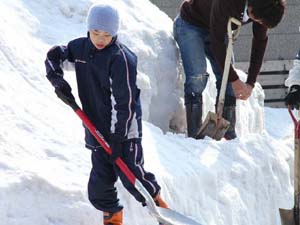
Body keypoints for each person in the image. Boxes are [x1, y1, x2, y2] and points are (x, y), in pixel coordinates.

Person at [45, 4, 168, 225]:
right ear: (88, 30)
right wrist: (58, 80)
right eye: (95, 33)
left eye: (107, 34)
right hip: (95, 128)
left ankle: (164, 213)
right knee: (99, 187)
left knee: (133, 179)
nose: (100, 39)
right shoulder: (81, 50)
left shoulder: (121, 59)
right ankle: (113, 221)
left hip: (124, 130)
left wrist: (118, 138)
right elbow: (55, 56)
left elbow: (124, 104)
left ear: (115, 33)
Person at [174, 0, 286, 140]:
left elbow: (259, 42)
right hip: (191, 24)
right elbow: (217, 44)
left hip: (218, 29)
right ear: (251, 6)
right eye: (256, 18)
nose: (256, 22)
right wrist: (234, 80)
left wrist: (250, 82)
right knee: (198, 76)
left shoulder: (263, 9)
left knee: (228, 81)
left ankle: (227, 133)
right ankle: (194, 134)